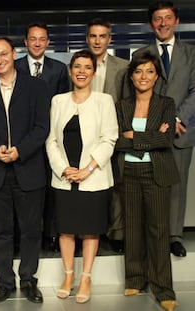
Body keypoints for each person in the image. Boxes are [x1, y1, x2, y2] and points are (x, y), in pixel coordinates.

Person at [0, 37, 50, 304]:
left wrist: (20, 150)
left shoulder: (36, 87)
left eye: (4, 54)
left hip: (28, 167)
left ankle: (29, 280)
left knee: (31, 229)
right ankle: (5, 282)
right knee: (1, 231)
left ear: (14, 53)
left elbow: (42, 127)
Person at [45, 50, 118, 303]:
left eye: (87, 67)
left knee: (89, 231)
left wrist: (87, 169)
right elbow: (51, 140)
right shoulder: (58, 101)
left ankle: (86, 277)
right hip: (64, 177)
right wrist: (63, 168)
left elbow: (110, 138)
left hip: (93, 177)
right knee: (65, 230)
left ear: (94, 72)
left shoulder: (104, 101)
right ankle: (68, 276)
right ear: (70, 70)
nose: (82, 71)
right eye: (77, 66)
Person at [115, 50, 179, 311]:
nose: (144, 76)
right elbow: (118, 141)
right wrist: (150, 136)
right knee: (133, 228)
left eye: (149, 72)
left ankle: (163, 288)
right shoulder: (122, 106)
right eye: (138, 71)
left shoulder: (166, 104)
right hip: (128, 172)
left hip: (156, 174)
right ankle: (135, 279)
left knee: (158, 231)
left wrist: (136, 138)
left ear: (156, 77)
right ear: (131, 77)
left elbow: (167, 139)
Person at [133, 0, 195, 258]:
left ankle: (174, 236)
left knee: (177, 186)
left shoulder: (191, 54)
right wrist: (156, 121)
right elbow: (137, 91)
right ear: (151, 24)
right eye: (158, 19)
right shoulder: (141, 54)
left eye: (167, 18)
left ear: (176, 21)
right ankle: (152, 236)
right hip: (151, 129)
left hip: (182, 131)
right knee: (150, 184)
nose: (163, 23)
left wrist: (178, 118)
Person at [15, 21, 69, 252]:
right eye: (33, 39)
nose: (37, 43)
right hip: (21, 137)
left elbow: (63, 103)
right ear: (26, 42)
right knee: (23, 191)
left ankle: (51, 235)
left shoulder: (58, 69)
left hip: (50, 135)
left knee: (50, 188)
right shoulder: (14, 67)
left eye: (42, 39)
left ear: (48, 43)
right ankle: (22, 237)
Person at [86, 17, 130, 253]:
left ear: (109, 39)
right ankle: (90, 231)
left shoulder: (123, 66)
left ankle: (115, 233)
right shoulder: (78, 64)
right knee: (88, 186)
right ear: (87, 38)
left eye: (102, 36)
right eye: (93, 36)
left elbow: (126, 103)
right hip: (84, 136)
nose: (97, 40)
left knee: (115, 185)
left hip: (113, 134)